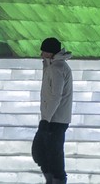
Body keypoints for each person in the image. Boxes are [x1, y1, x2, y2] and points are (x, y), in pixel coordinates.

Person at [33, 36, 73, 184]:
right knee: (45, 154)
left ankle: (55, 181)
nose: (41, 55)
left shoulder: (57, 68)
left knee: (50, 155)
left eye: (43, 52)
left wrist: (46, 120)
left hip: (54, 119)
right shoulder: (53, 66)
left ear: (50, 53)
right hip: (53, 118)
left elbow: (56, 96)